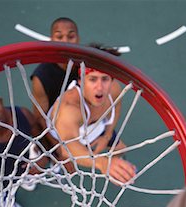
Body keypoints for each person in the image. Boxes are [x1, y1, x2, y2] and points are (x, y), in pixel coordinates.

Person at [30, 18, 123, 156]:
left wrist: (107, 136)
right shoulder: (41, 77)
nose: (66, 41)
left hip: (90, 121)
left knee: (120, 150)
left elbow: (116, 102)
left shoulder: (89, 64)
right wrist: (59, 151)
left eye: (71, 36)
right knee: (42, 161)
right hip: (58, 128)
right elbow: (40, 117)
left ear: (78, 38)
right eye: (59, 36)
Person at [47, 44, 136, 184]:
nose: (100, 87)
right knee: (65, 158)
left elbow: (116, 109)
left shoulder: (114, 89)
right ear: (81, 80)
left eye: (105, 79)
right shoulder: (70, 107)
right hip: (62, 136)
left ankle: (115, 166)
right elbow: (68, 146)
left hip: (95, 128)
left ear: (111, 80)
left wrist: (106, 136)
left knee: (121, 149)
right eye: (93, 79)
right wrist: (102, 162)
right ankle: (53, 160)